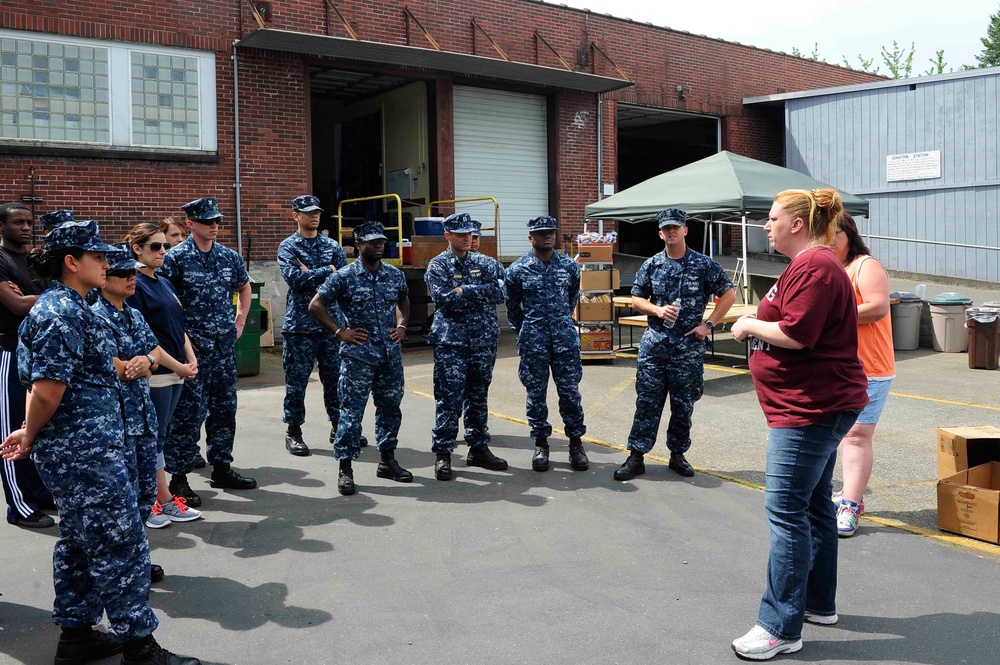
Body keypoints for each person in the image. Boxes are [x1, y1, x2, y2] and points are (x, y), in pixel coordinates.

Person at [0, 220, 200, 665]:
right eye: (98, 258)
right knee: (121, 542)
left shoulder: (76, 306)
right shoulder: (60, 311)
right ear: (72, 262)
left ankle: (77, 637)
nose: (108, 264)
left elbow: (87, 366)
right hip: (82, 452)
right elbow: (47, 389)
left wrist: (133, 365)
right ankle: (139, 648)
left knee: (77, 541)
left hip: (89, 445)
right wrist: (29, 434)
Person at [730, 188, 868, 660]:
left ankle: (779, 627)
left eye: (771, 218)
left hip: (810, 410)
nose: (765, 226)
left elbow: (795, 334)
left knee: (786, 512)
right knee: (811, 507)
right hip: (812, 405)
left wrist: (749, 323)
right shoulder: (810, 266)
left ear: (796, 224)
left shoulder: (815, 266)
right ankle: (816, 603)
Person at [613, 208, 735, 481]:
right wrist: (656, 310)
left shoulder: (704, 265)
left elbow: (728, 293)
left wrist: (709, 325)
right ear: (660, 233)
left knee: (683, 406)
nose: (671, 232)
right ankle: (636, 456)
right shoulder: (652, 264)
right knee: (646, 403)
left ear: (685, 230)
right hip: (654, 349)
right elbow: (636, 298)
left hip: (687, 350)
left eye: (675, 228)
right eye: (666, 228)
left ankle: (677, 455)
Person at [160, 197, 257, 508]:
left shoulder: (229, 257)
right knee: (187, 416)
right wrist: (183, 342)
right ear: (190, 224)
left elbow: (244, 286)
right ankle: (179, 477)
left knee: (225, 411)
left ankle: (222, 467)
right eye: (207, 221)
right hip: (193, 351)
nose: (214, 226)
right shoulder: (175, 259)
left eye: (217, 220)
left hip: (223, 349)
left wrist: (240, 319)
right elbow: (166, 306)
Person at [308, 221, 411, 495]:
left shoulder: (394, 274)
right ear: (358, 245)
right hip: (358, 356)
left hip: (389, 354)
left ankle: (387, 461)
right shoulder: (344, 276)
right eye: (371, 242)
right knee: (351, 414)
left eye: (381, 241)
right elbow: (315, 305)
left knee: (390, 409)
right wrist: (340, 331)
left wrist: (401, 326)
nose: (378, 245)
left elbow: (404, 300)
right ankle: (345, 469)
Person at [124, 224, 202, 527]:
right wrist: (177, 365)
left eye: (163, 246)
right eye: (155, 247)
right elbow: (146, 338)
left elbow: (177, 326)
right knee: (152, 440)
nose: (162, 252)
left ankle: (161, 499)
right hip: (156, 373)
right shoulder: (134, 285)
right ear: (137, 249)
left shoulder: (164, 282)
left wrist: (190, 359)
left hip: (177, 372)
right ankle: (158, 501)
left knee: (161, 436)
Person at [424, 213, 506, 481]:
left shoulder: (487, 263)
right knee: (449, 399)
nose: (468, 238)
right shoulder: (438, 266)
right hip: (452, 342)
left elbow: (501, 292)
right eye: (461, 234)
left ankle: (478, 447)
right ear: (448, 235)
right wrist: (476, 292)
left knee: (478, 394)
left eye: (470, 234)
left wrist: (465, 291)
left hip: (483, 340)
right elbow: (444, 299)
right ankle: (444, 454)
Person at [504, 215, 588, 472]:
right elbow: (512, 306)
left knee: (570, 394)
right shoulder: (517, 270)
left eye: (550, 231)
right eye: (541, 233)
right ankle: (541, 444)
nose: (547, 236)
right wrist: (526, 329)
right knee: (535, 395)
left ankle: (576, 444)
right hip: (534, 343)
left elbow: (572, 298)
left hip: (564, 342)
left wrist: (560, 323)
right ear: (531, 237)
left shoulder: (569, 267)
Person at [277, 195, 358, 457]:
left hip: (331, 324)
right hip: (300, 326)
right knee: (297, 382)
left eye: (317, 212)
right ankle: (294, 431)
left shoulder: (332, 245)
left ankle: (339, 427)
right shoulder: (288, 246)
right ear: (295, 215)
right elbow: (295, 280)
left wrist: (314, 271)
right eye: (308, 212)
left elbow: (343, 281)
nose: (314, 216)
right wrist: (327, 270)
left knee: (335, 380)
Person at [831, 212, 894, 537]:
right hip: (839, 369)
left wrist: (830, 316)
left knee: (856, 437)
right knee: (838, 436)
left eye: (833, 234)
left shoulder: (865, 265)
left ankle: (851, 506)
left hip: (870, 368)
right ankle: (843, 495)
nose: (828, 241)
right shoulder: (835, 269)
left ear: (848, 234)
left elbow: (878, 306)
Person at [0, 203, 55, 528]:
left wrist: (34, 298)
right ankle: (19, 505)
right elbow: (18, 306)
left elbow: (37, 298)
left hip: (35, 352)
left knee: (34, 425)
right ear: (2, 227)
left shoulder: (34, 260)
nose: (25, 226)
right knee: (11, 431)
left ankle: (39, 493)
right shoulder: (2, 259)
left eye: (28, 222)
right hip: (8, 351)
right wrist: (40, 298)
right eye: (17, 221)